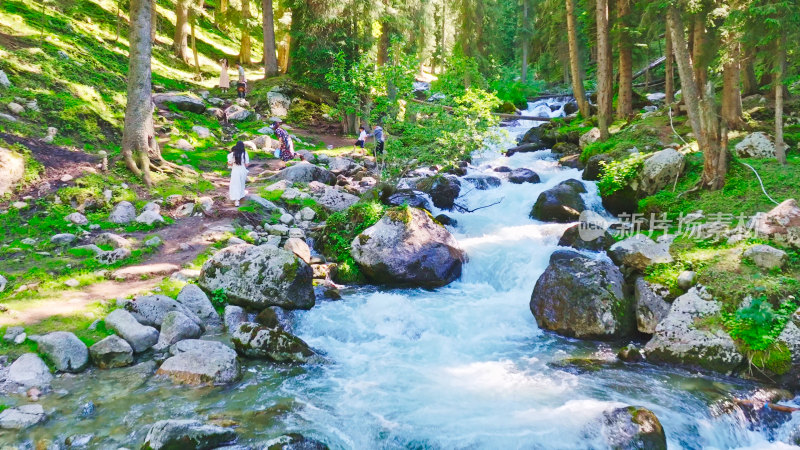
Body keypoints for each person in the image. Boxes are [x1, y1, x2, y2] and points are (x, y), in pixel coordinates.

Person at [227, 141, 249, 207]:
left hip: (235, 170)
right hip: (242, 170)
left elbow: (229, 163)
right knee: (241, 184)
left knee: (235, 184)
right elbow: (247, 164)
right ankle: (241, 196)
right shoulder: (245, 153)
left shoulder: (232, 154)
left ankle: (236, 200)